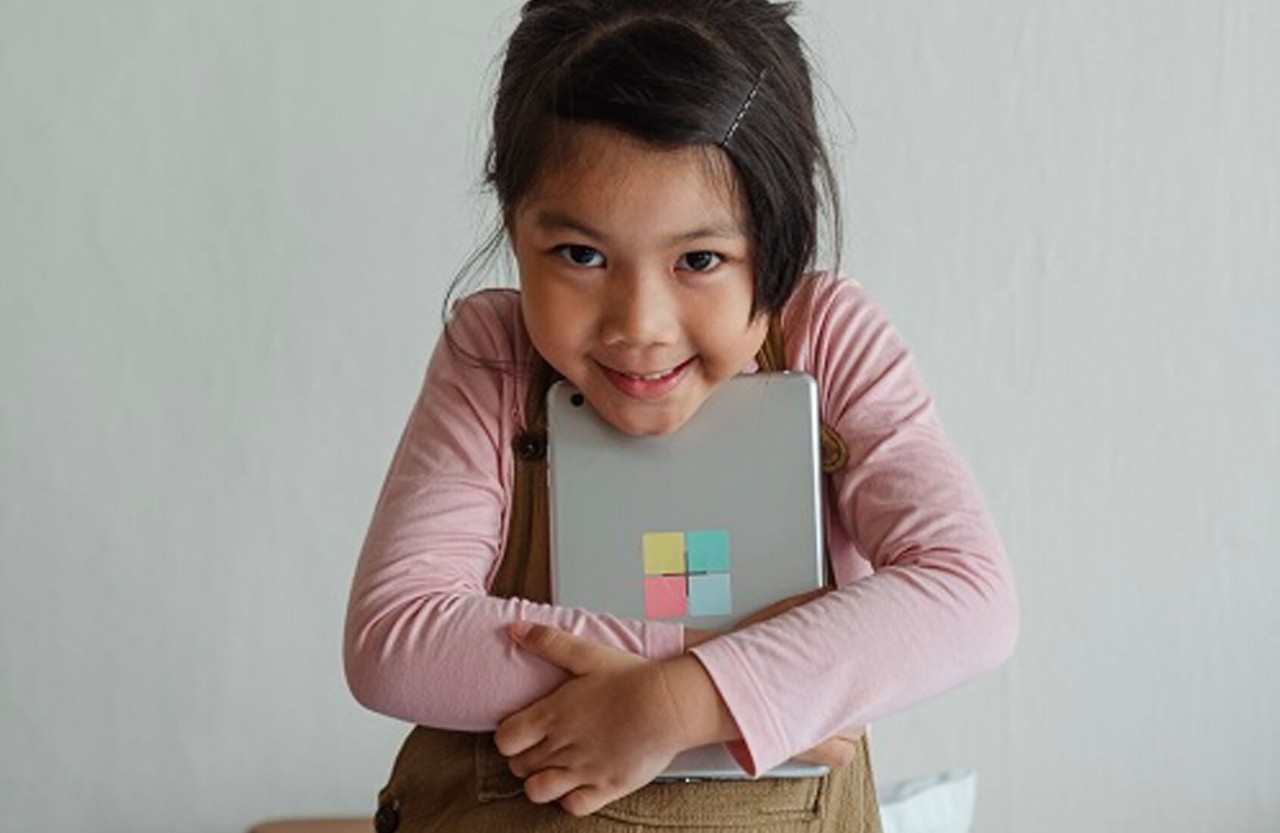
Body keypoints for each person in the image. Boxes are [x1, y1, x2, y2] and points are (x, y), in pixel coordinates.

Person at [344, 1, 1019, 830]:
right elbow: (395, 639)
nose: (639, 323)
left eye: (701, 259)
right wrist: (703, 679)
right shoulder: (492, 352)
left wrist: (681, 703)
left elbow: (967, 595)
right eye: (580, 255)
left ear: (784, 239)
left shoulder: (829, 338)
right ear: (513, 224)